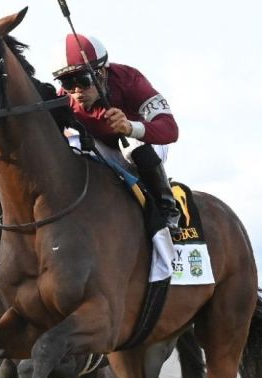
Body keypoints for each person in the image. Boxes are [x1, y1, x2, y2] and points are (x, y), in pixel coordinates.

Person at [53, 33, 181, 232]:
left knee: (133, 146)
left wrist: (131, 127)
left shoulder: (130, 80)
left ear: (101, 73)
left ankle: (167, 209)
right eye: (67, 83)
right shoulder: (65, 99)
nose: (77, 90)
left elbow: (171, 130)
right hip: (102, 145)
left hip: (146, 140)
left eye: (83, 80)